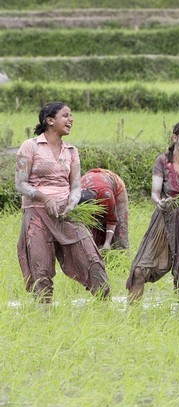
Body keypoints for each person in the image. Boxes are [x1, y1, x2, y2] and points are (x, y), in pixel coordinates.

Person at [15, 102, 110, 302]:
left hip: (67, 215)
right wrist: (44, 198)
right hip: (37, 215)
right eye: (65, 115)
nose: (71, 119)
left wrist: (71, 205)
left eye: (71, 115)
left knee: (93, 262)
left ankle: (105, 309)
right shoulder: (30, 146)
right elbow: (20, 183)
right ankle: (43, 314)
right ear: (50, 120)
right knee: (41, 271)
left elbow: (75, 187)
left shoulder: (71, 151)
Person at [126, 121, 179, 303]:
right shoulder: (162, 161)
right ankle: (131, 317)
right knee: (139, 271)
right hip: (163, 221)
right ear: (175, 138)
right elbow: (155, 192)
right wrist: (160, 202)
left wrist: (176, 202)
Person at [80, 168, 130, 250]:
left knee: (120, 227)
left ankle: (121, 251)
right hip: (92, 178)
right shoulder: (76, 196)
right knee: (93, 225)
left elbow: (112, 220)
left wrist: (107, 243)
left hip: (116, 186)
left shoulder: (106, 196)